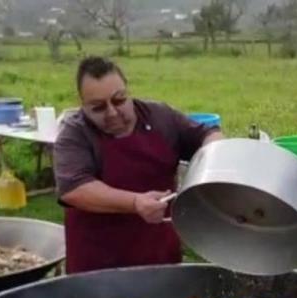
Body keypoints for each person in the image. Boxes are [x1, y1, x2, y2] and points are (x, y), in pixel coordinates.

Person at [53, 56, 223, 274]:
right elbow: (74, 188)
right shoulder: (75, 133)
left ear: (128, 92)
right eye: (98, 108)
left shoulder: (160, 117)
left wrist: (211, 160)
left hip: (159, 254)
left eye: (119, 100)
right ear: (82, 105)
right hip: (98, 264)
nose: (112, 113)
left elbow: (208, 133)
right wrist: (135, 202)